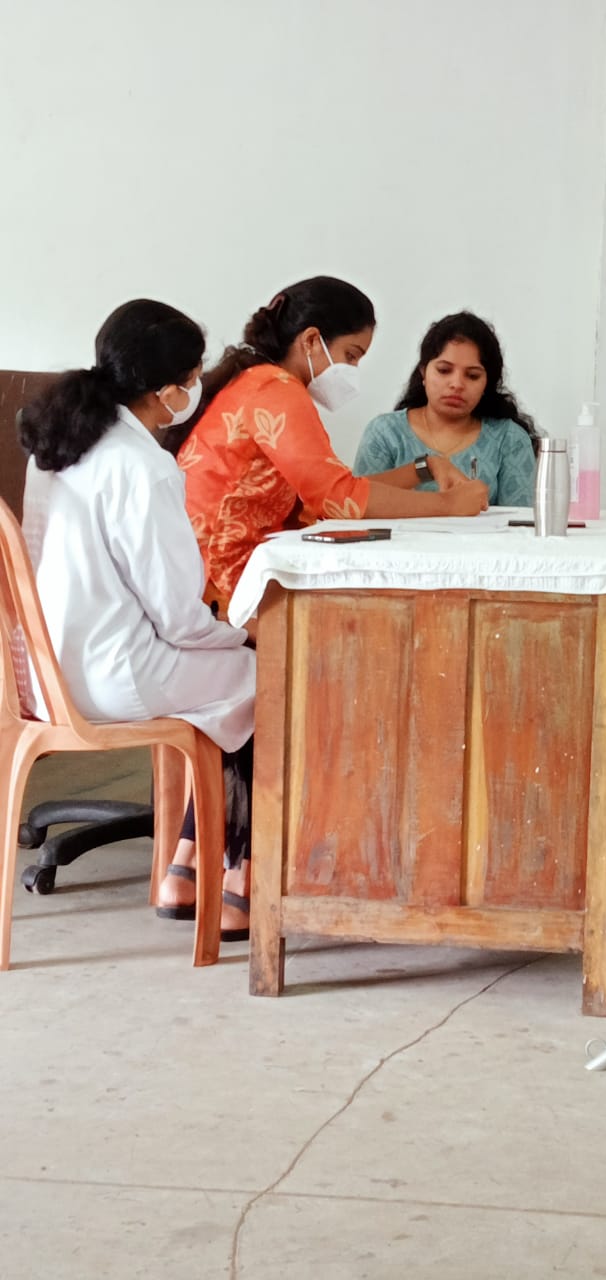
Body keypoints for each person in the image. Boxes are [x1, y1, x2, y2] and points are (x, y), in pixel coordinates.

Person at [18, 299, 256, 940]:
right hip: (117, 678)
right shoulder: (144, 466)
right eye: (195, 374)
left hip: (45, 679)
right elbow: (179, 619)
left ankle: (186, 867)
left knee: (234, 677)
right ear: (168, 389)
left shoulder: (58, 446)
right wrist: (241, 635)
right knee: (269, 677)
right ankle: (239, 878)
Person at [174, 276, 489, 608]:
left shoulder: (260, 381)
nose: (353, 370)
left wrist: (425, 469)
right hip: (220, 582)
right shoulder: (275, 390)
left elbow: (333, 492)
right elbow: (337, 498)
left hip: (216, 569)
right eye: (351, 356)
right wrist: (449, 507)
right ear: (311, 340)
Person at [354, 310, 538, 506]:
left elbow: (519, 527)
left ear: (487, 384)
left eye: (472, 375)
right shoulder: (385, 434)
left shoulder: (510, 440)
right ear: (423, 373)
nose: (457, 384)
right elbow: (358, 506)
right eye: (444, 371)